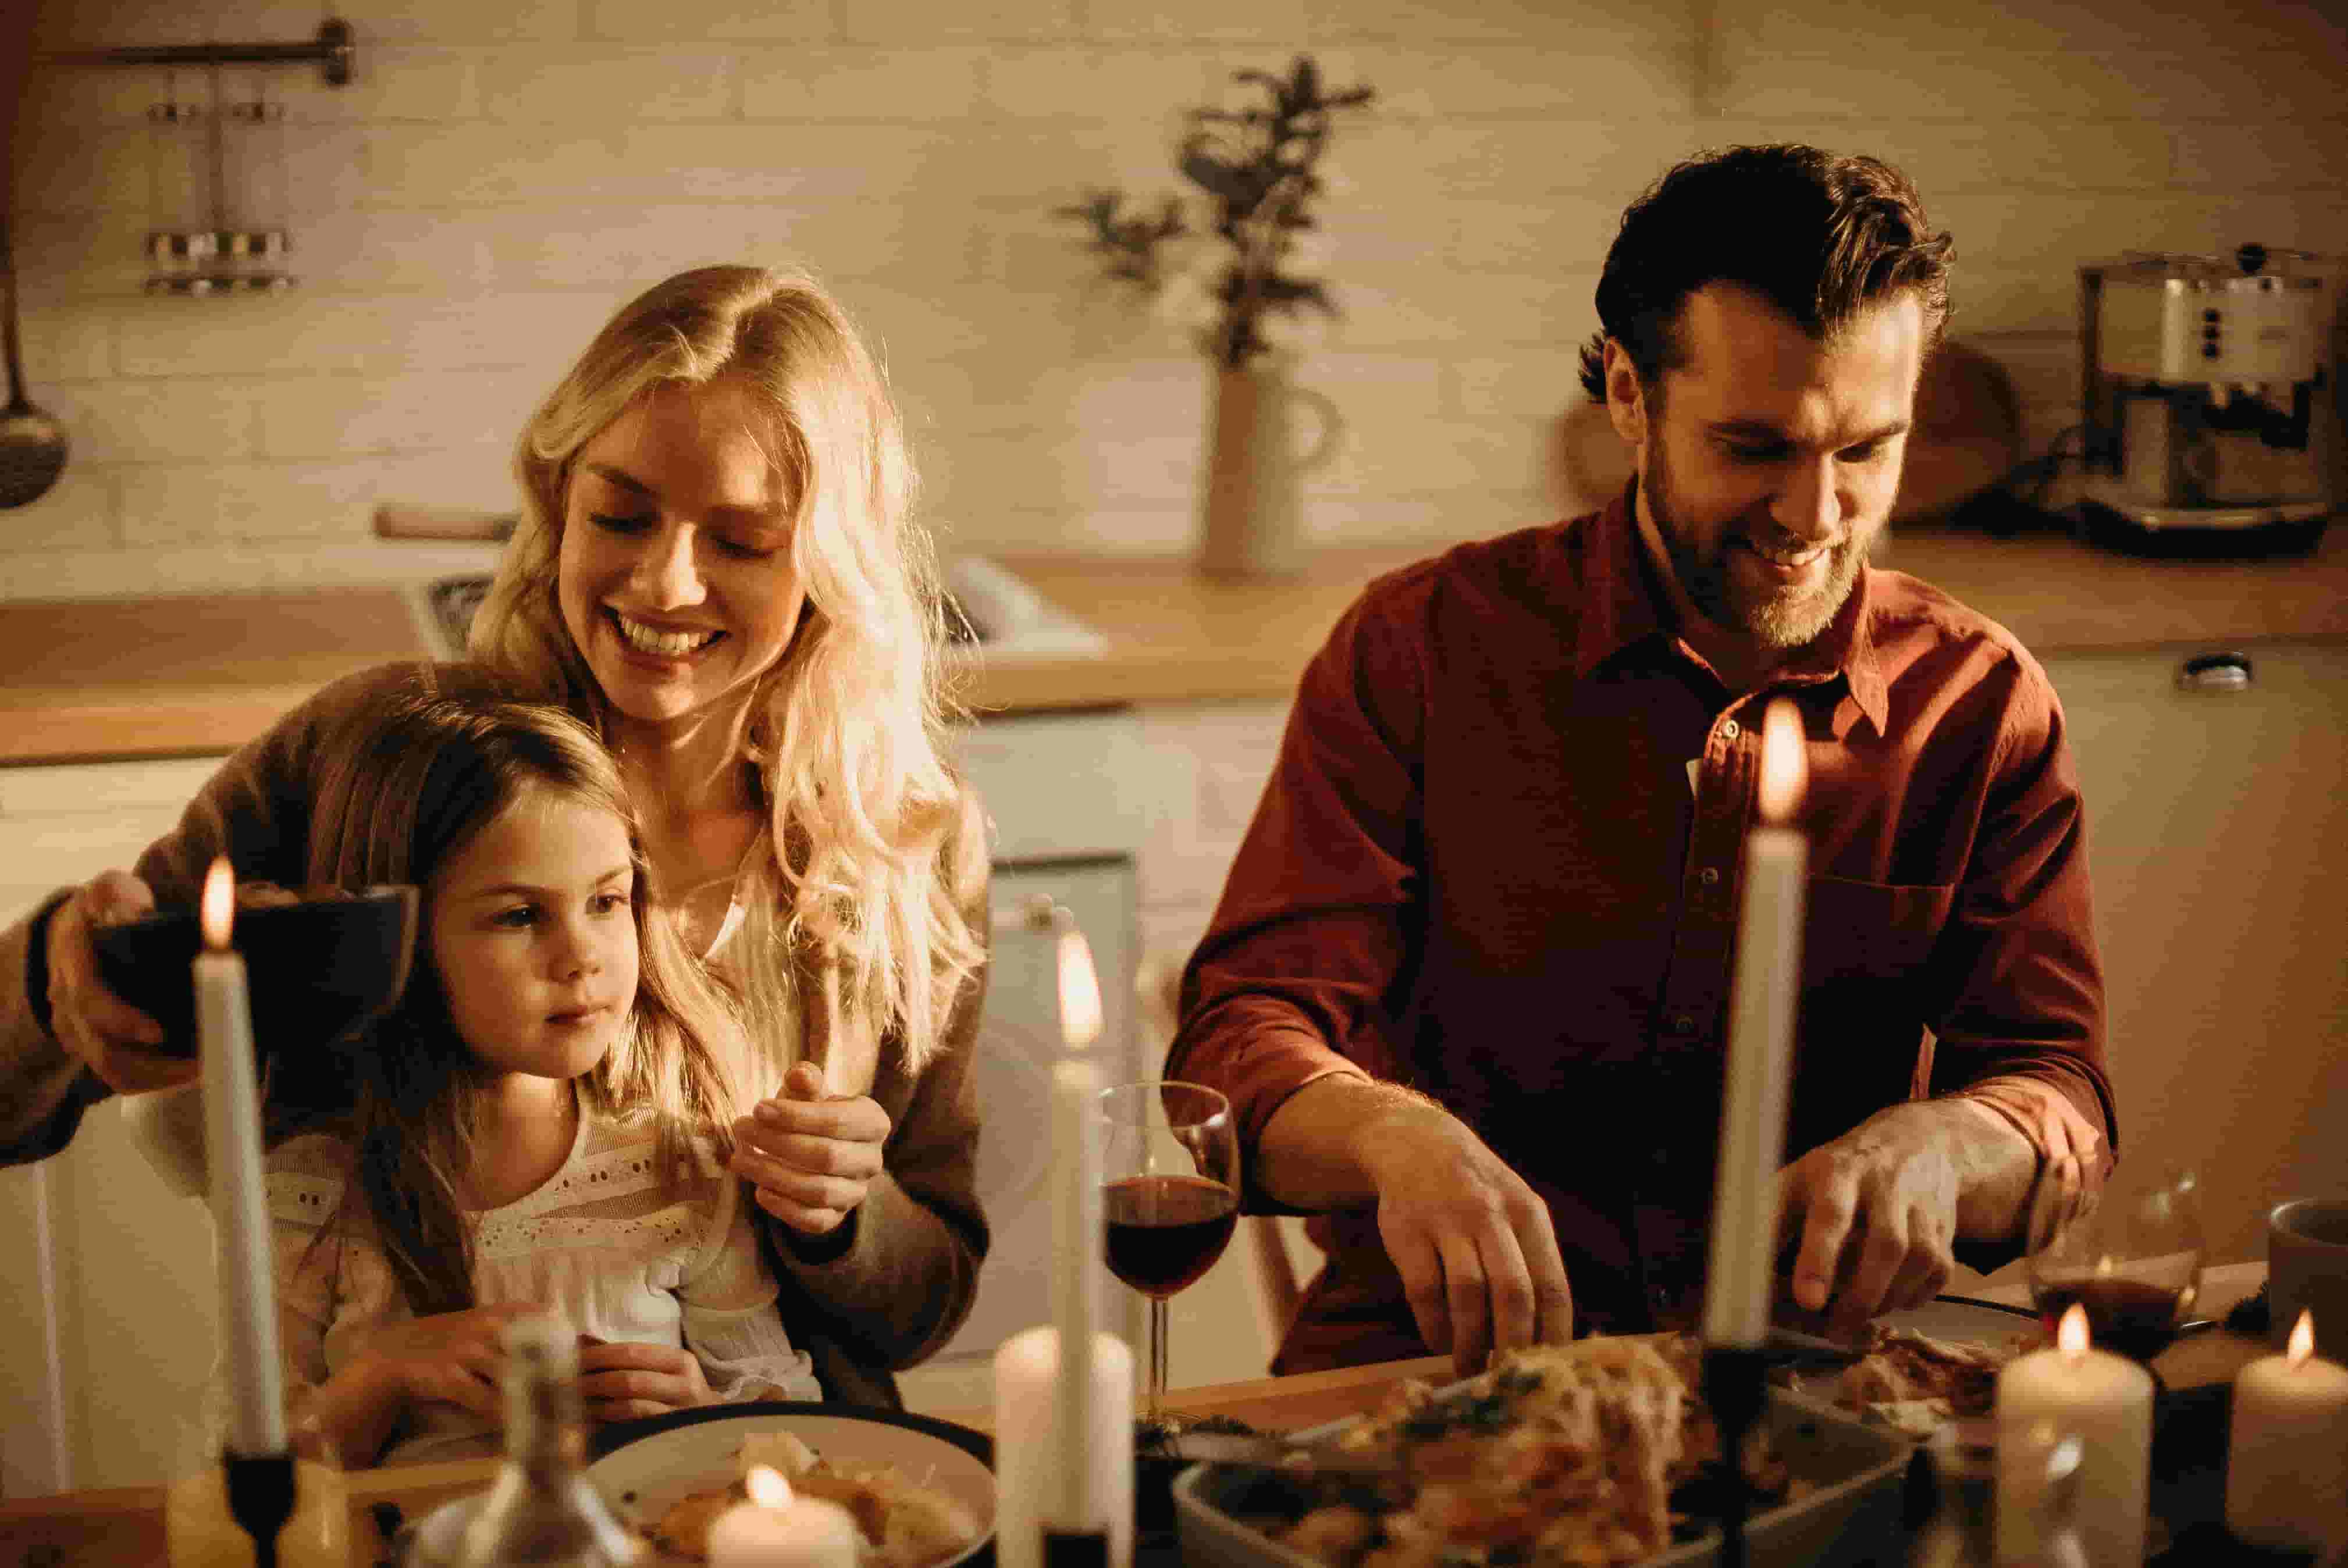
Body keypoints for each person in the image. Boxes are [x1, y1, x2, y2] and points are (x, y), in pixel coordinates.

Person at [1164, 144, 2116, 1378]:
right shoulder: (1424, 647)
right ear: (1625, 391)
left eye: (1864, 452)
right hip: (1442, 1375)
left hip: (1798, 1392)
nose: (1812, 515)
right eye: (1753, 447)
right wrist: (1388, 1135)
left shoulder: (1977, 706)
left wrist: (1940, 1145)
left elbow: (2057, 1094)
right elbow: (1241, 1037)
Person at [0, 266, 991, 1407]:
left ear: (827, 560)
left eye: (743, 541)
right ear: (556, 498)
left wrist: (846, 1214)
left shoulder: (899, 841)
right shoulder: (385, 758)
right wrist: (57, 978)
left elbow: (923, 1307)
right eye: (620, 515)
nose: (667, 582)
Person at [267, 685, 824, 1467]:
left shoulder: (679, 1167)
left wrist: (696, 1416)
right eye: (521, 916)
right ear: (399, 939)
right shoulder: (315, 1185)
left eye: (605, 901)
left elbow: (788, 1422)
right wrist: (383, 1377)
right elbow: (246, 1474)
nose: (582, 957)